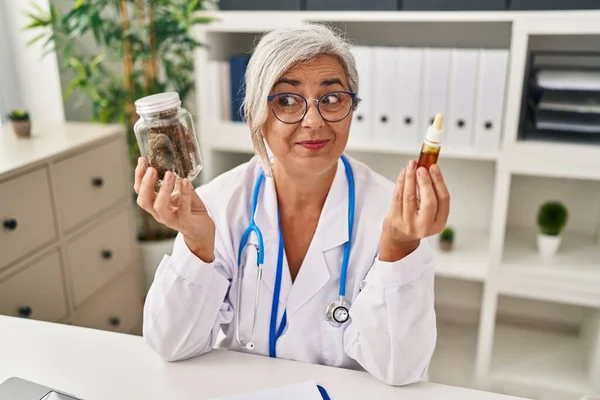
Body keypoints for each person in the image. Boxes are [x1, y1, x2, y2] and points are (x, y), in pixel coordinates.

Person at [135, 23, 450, 386]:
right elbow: (171, 345)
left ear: (351, 108)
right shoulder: (218, 205)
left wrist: (398, 249)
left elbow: (402, 369)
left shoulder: (392, 214)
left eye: (332, 99)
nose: (314, 121)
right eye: (286, 100)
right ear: (256, 115)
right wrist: (196, 245)